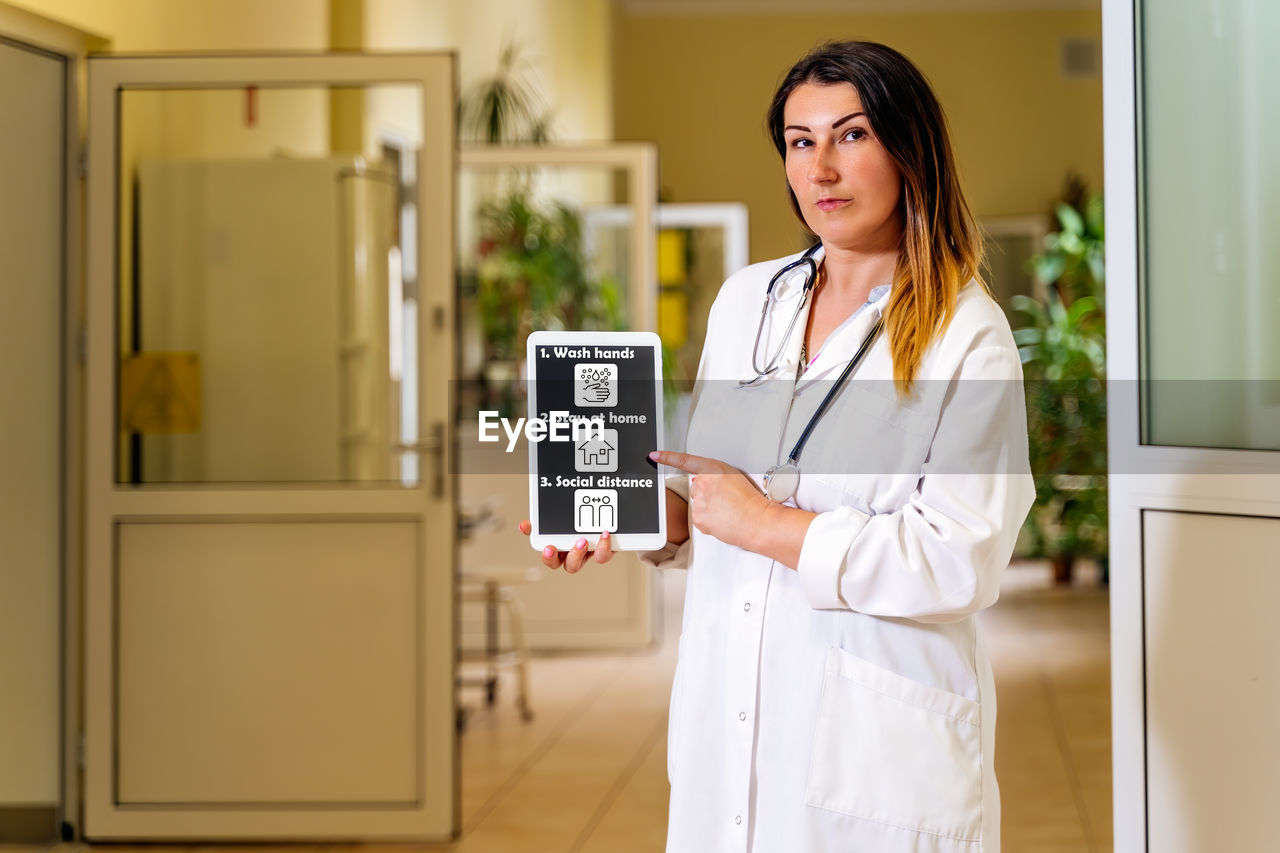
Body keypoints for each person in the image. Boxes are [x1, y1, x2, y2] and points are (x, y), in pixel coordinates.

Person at [521, 40, 1032, 853]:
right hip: (729, 723)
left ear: (910, 148)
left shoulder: (967, 335)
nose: (821, 168)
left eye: (852, 135)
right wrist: (642, 517)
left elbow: (959, 558)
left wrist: (766, 524)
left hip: (876, 755)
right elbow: (715, 493)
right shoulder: (745, 303)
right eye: (801, 141)